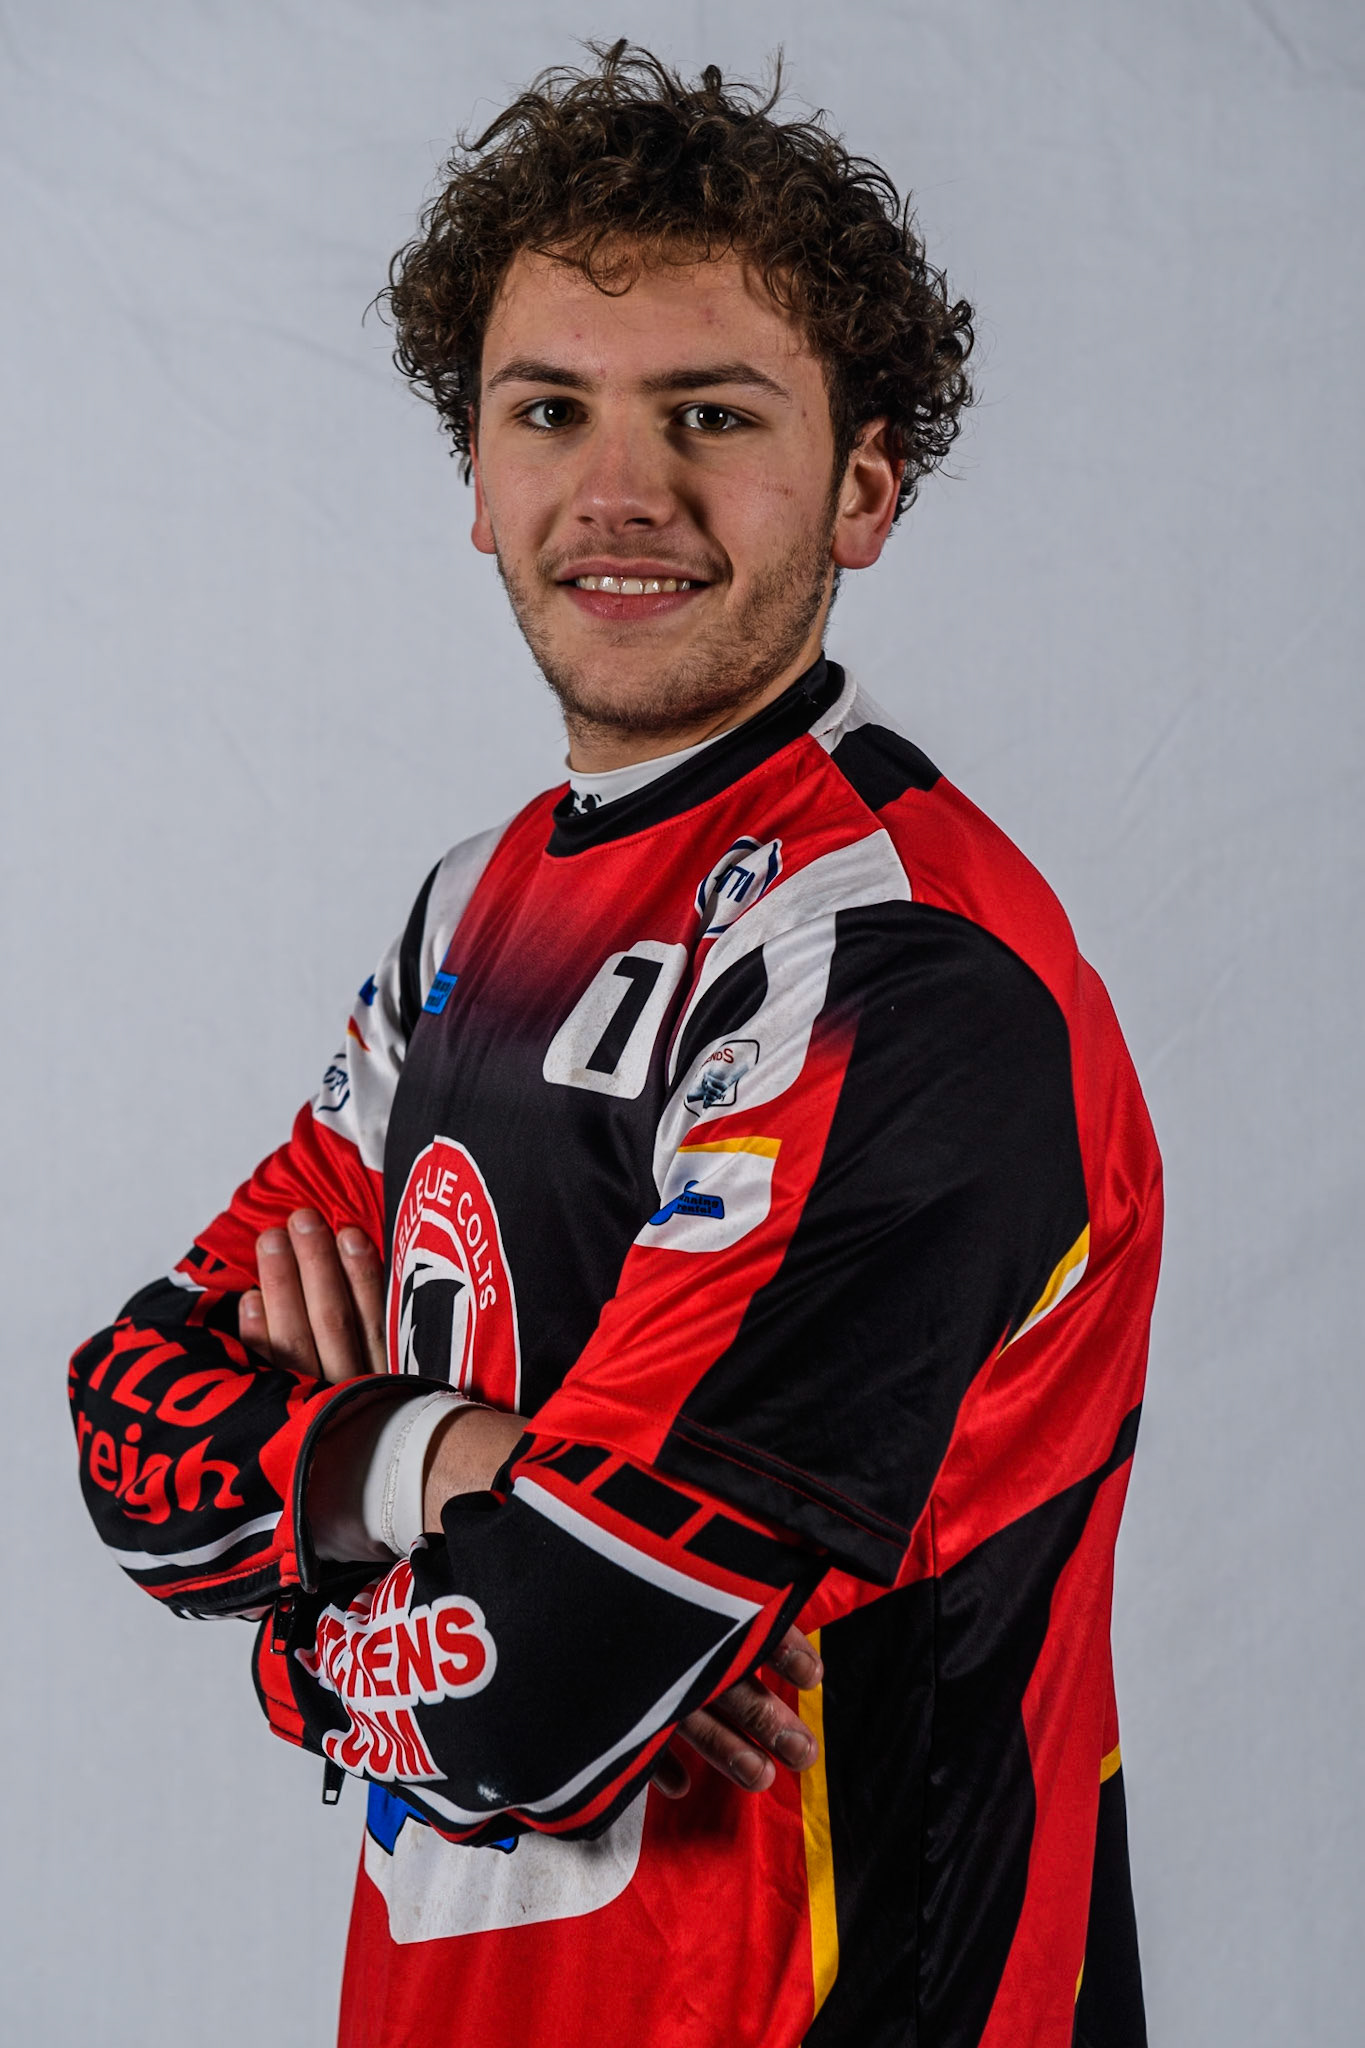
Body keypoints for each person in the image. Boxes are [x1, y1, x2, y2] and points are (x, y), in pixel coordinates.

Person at [70, 42, 1160, 2048]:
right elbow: (124, 1416)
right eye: (550, 409)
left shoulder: (900, 967)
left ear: (861, 480)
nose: (619, 489)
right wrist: (440, 1460)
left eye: (710, 414)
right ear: (475, 482)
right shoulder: (468, 915)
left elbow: (521, 1683)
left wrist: (303, 1622)